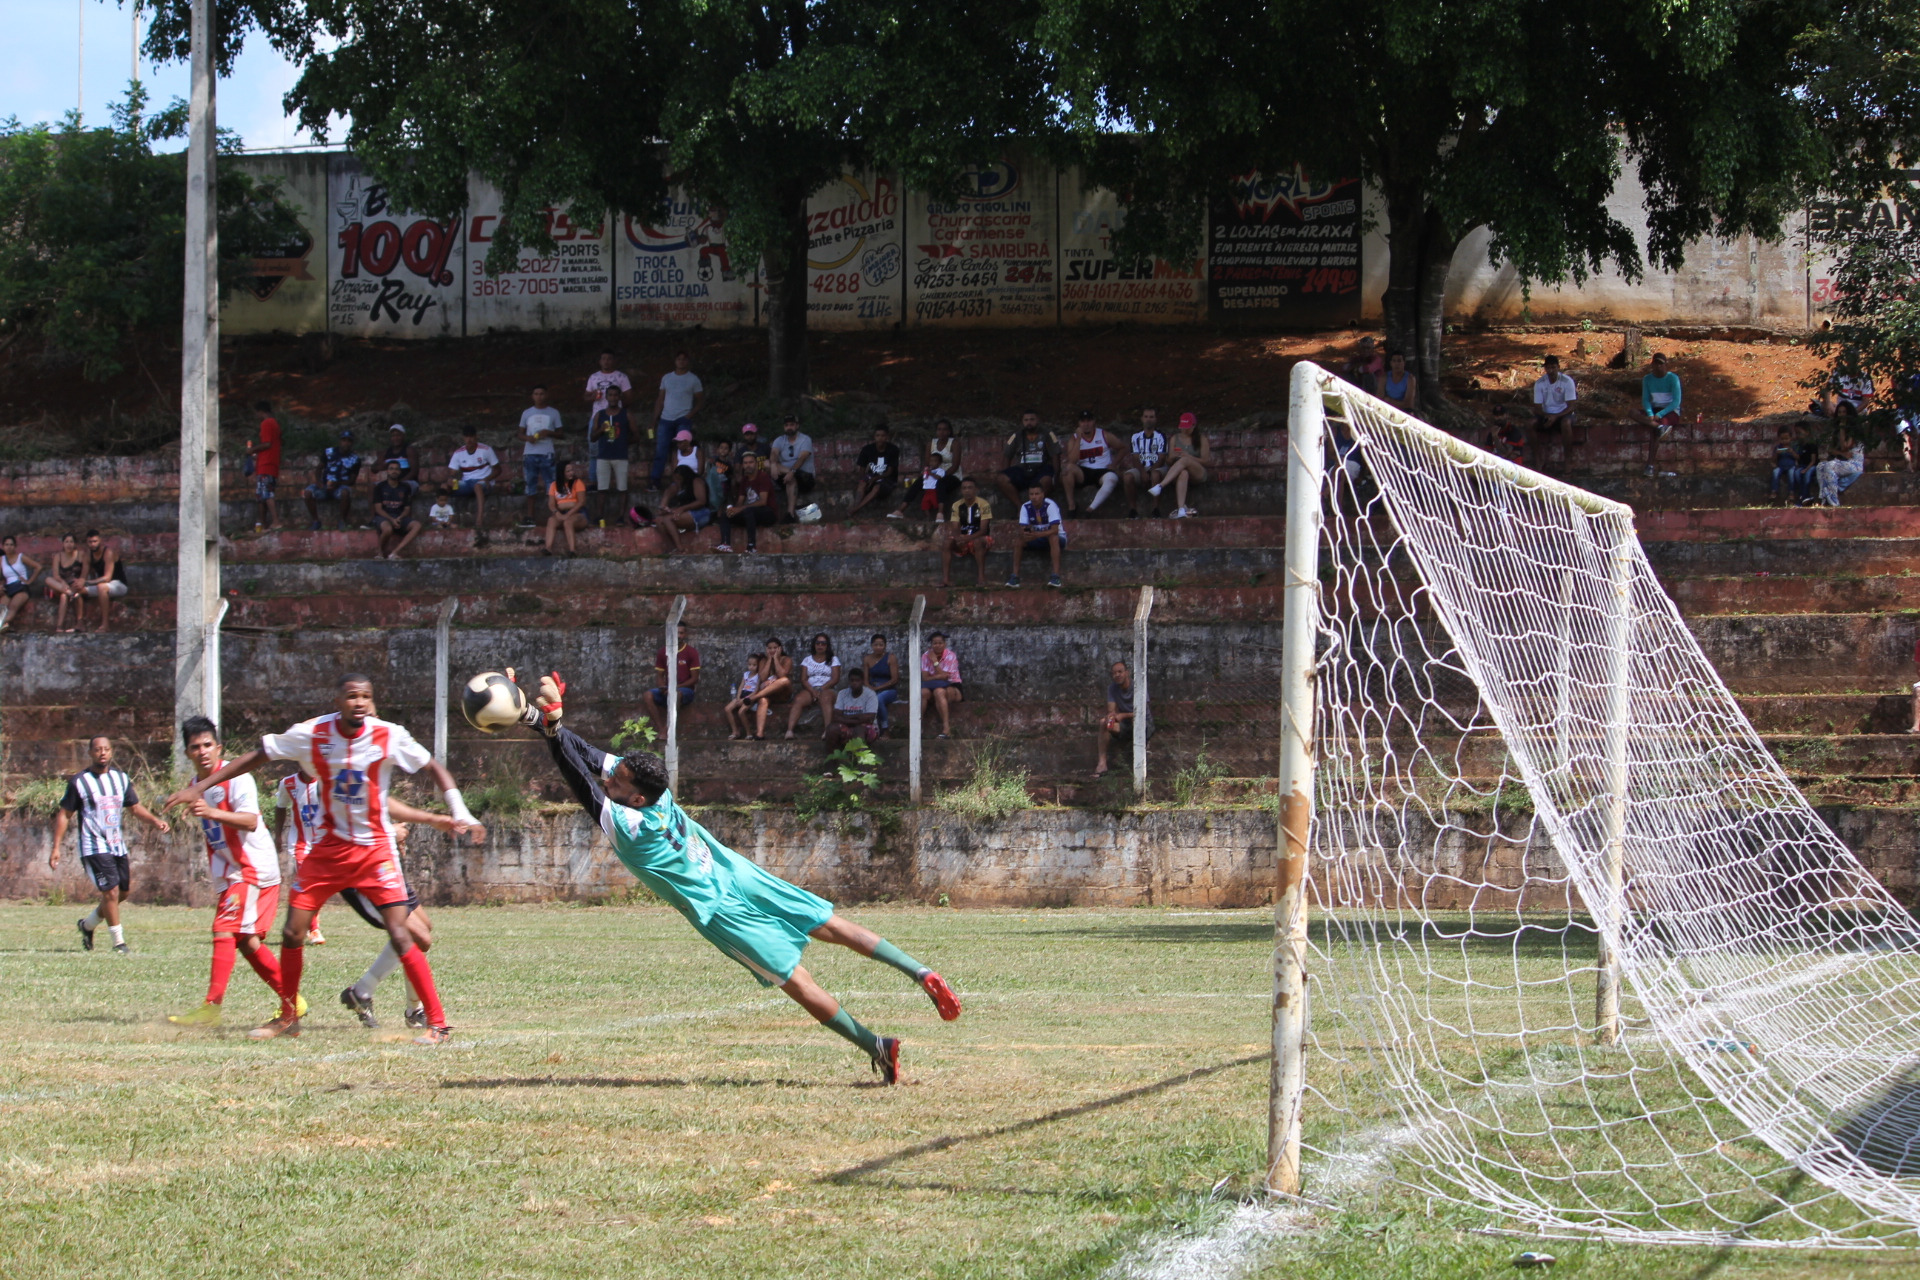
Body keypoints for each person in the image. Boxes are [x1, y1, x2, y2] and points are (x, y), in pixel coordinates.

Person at [521, 671, 961, 1084]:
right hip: (736, 872)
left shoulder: (632, 829)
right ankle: (920, 972)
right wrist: (542, 721)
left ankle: (876, 1046)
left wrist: (553, 728)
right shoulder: (658, 790)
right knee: (831, 924)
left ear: (634, 796)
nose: (607, 782)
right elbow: (589, 760)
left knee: (797, 981)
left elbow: (578, 778)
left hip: (719, 908)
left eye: (614, 783)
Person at [168, 673, 476, 1043]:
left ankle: (437, 1024)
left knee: (402, 931)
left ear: (372, 701)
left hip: (375, 848)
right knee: (292, 931)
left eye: (365, 696)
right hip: (328, 849)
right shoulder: (314, 733)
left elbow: (434, 767)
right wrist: (202, 786)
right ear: (338, 700)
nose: (359, 702)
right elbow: (261, 754)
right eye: (351, 696)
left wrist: (458, 812)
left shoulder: (387, 735)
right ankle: (288, 1017)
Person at [164, 716, 293, 1028]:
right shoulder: (196, 787)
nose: (202, 751)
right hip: (234, 872)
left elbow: (249, 821)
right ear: (187, 754)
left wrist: (210, 812)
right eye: (195, 747)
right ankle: (292, 1000)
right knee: (246, 942)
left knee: (223, 928)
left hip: (253, 868)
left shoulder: (237, 777)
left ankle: (211, 1007)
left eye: (208, 745)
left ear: (218, 747)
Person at [52, 734, 169, 953]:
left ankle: (87, 925)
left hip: (117, 845)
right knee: (111, 893)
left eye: (106, 749)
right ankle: (118, 942)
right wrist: (56, 847)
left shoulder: (121, 779)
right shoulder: (80, 782)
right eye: (97, 749)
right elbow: (64, 814)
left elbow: (134, 807)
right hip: (93, 846)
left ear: (111, 752)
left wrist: (155, 820)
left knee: (122, 893)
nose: (102, 753)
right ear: (90, 753)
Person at [650, 350, 706, 490]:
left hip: (683, 419)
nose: (681, 361)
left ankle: (683, 480)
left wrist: (689, 415)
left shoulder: (693, 379)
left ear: (688, 361)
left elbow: (699, 402)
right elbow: (660, 399)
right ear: (675, 361)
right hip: (665, 419)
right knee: (661, 451)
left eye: (684, 359)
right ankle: (655, 480)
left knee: (683, 450)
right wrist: (654, 419)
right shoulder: (667, 378)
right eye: (679, 359)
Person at [1061, 409, 1129, 515]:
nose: (1086, 424)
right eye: (1083, 421)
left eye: (1089, 421)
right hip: (1083, 472)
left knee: (1112, 478)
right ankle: (1071, 506)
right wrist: (1079, 439)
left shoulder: (1104, 435)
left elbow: (1123, 448)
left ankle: (1090, 509)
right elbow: (1073, 460)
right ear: (1079, 423)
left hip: (1102, 470)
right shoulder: (1074, 438)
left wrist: (1114, 464)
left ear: (1094, 422)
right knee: (1067, 469)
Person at [1149, 412, 1212, 519]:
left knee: (1185, 460)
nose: (1184, 430)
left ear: (1193, 426)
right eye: (1182, 428)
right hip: (1178, 472)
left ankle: (1160, 486)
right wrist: (1172, 456)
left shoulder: (1201, 439)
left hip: (1197, 472)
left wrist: (1189, 457)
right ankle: (1181, 509)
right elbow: (1168, 462)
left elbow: (1206, 461)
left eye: (1187, 428)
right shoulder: (1175, 438)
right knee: (1183, 472)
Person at [519, 385, 564, 527]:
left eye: (542, 393)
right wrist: (528, 438)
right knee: (530, 484)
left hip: (547, 452)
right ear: (532, 396)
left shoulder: (554, 413)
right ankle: (530, 517)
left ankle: (554, 515)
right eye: (536, 393)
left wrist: (548, 432)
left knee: (550, 484)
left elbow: (561, 433)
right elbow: (520, 433)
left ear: (546, 395)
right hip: (530, 453)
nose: (539, 396)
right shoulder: (526, 413)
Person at [590, 383, 634, 527]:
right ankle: (599, 517)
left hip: (620, 456)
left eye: (616, 395)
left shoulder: (626, 413)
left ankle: (621, 516)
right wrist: (601, 430)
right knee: (602, 488)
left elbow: (637, 436)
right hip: (603, 456)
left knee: (622, 488)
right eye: (610, 395)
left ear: (619, 397)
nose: (613, 397)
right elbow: (592, 438)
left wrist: (622, 442)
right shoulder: (600, 414)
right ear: (606, 397)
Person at [448, 427, 500, 546]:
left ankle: (479, 518)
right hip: (466, 482)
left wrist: (488, 479)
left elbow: (498, 469)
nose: (469, 439)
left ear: (477, 437)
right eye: (467, 436)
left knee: (477, 486)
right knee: (445, 487)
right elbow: (451, 473)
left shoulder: (486, 450)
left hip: (484, 481)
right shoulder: (458, 453)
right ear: (463, 438)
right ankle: (444, 520)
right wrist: (450, 480)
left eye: (471, 436)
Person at [1094, 660, 1145, 779]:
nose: (1117, 675)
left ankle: (1140, 759)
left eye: (1120, 672)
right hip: (1123, 724)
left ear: (1127, 672)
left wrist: (1124, 715)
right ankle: (1102, 764)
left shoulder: (1138, 686)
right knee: (1103, 722)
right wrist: (1111, 717)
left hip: (1141, 722)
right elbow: (1111, 710)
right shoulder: (1112, 688)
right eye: (1114, 673)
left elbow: (1143, 712)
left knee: (1136, 720)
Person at [305, 428, 362, 531]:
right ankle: (316, 521)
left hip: (339, 487)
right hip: (324, 485)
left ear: (352, 443)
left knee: (345, 493)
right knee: (308, 492)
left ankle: (342, 521)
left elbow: (352, 480)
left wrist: (337, 483)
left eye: (349, 441)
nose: (346, 443)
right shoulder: (329, 452)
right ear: (340, 441)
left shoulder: (355, 459)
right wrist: (319, 482)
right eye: (344, 440)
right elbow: (319, 468)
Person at [647, 628, 702, 735]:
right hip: (667, 689)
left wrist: (675, 687)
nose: (678, 636)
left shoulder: (691, 652)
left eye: (681, 633)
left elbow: (695, 679)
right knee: (647, 695)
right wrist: (662, 687)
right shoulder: (663, 651)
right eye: (675, 633)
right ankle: (660, 728)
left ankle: (669, 728)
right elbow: (659, 676)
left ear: (685, 634)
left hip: (685, 691)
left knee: (675, 695)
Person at [786, 632, 840, 739]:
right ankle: (789, 730)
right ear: (814, 645)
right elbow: (803, 679)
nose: (820, 646)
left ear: (827, 645)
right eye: (818, 643)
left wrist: (821, 689)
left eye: (823, 643)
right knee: (799, 699)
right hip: (811, 689)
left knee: (825, 698)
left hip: (828, 688)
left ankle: (827, 730)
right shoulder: (807, 660)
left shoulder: (833, 659)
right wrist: (812, 690)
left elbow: (835, 679)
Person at [1010, 484, 1065, 589]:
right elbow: (1023, 528)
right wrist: (1026, 533)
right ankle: (1015, 577)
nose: (1034, 497)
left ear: (1042, 494)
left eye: (1037, 494)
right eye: (1031, 494)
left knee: (1053, 538)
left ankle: (1056, 576)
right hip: (1037, 537)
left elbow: (1055, 530)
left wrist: (1037, 534)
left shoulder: (1050, 505)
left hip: (1057, 538)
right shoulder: (1026, 507)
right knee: (1018, 541)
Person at [995, 411, 1056, 504]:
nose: (1029, 423)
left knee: (1047, 480)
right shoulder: (1017, 436)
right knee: (1001, 478)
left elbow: (1056, 455)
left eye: (1032, 419)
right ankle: (1020, 507)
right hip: (1022, 470)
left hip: (1041, 470)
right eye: (1026, 420)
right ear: (1022, 421)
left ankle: (1032, 506)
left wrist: (1056, 476)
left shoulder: (1047, 434)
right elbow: (1007, 456)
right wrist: (1006, 473)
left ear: (1038, 420)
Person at [943, 478, 994, 588]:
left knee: (977, 542)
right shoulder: (956, 505)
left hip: (981, 538)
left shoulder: (983, 504)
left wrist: (968, 538)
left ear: (976, 490)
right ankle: (946, 579)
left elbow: (984, 530)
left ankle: (981, 578)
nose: (967, 491)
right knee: (947, 542)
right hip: (963, 538)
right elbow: (955, 527)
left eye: (970, 488)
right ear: (961, 490)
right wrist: (957, 539)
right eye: (964, 488)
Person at [1530, 356, 1580, 469]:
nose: (1551, 371)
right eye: (1548, 368)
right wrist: (1547, 416)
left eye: (1553, 367)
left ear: (1558, 367)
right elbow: (1537, 407)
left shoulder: (1567, 381)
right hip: (1546, 415)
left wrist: (1555, 417)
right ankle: (1538, 460)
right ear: (1545, 369)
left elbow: (1571, 406)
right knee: (1530, 424)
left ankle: (1568, 462)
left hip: (1563, 414)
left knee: (1566, 423)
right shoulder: (1540, 383)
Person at [725, 451, 778, 552]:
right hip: (750, 515)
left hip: (768, 513)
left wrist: (740, 508)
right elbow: (740, 501)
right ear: (742, 466)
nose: (748, 465)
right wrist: (733, 510)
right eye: (745, 463)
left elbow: (763, 502)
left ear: (756, 464)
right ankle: (725, 544)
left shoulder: (763, 477)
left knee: (748, 511)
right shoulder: (744, 480)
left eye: (751, 462)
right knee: (725, 515)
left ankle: (751, 546)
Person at [1640, 352, 1683, 476]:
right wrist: (1649, 414)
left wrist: (1660, 414)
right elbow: (1645, 399)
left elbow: (1676, 401)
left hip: (1669, 412)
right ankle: (1657, 426)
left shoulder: (1673, 378)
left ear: (1666, 365)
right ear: (1652, 365)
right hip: (1654, 411)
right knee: (1633, 412)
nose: (1658, 367)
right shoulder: (1647, 379)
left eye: (1661, 364)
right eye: (1656, 364)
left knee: (1655, 433)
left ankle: (1650, 465)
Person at [76, 530, 128, 633]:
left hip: (118, 584)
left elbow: (107, 577)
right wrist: (78, 583)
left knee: (101, 586)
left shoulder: (108, 552)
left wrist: (87, 582)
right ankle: (80, 623)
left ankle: (105, 625)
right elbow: (83, 577)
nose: (92, 544)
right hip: (102, 586)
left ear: (100, 541)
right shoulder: (87, 555)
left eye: (95, 541)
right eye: (90, 542)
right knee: (78, 591)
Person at [849, 425, 905, 518]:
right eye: (877, 435)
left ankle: (854, 510)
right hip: (872, 476)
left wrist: (875, 479)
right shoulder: (867, 449)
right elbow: (861, 470)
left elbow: (889, 472)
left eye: (883, 436)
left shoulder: (893, 449)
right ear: (874, 437)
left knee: (877, 487)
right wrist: (863, 480)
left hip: (887, 479)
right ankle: (855, 510)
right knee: (862, 484)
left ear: (887, 437)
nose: (880, 438)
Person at [372, 461, 423, 560]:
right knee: (387, 529)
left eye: (396, 469)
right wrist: (392, 519)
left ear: (400, 471)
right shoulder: (380, 487)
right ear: (387, 471)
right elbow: (378, 509)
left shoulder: (405, 487)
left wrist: (400, 518)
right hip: (384, 517)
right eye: (391, 469)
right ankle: (380, 552)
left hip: (399, 517)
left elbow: (407, 508)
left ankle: (395, 552)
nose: (394, 471)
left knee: (417, 525)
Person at [745, 637, 794, 738]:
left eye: (775, 648)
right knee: (762, 701)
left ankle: (754, 697)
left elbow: (782, 675)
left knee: (784, 680)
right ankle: (759, 734)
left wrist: (775, 659)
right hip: (768, 693)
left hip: (783, 693)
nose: (772, 650)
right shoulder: (763, 661)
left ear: (780, 648)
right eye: (770, 648)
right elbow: (762, 677)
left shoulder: (786, 659)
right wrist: (769, 660)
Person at [767, 416, 816, 519]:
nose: (789, 427)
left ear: (797, 426)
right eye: (786, 425)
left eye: (792, 425)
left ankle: (790, 514)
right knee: (766, 463)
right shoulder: (779, 440)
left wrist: (792, 471)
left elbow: (802, 457)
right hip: (787, 476)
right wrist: (773, 464)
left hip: (804, 477)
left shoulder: (805, 439)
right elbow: (774, 453)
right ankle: (790, 514)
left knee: (792, 477)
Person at [1124, 408, 1168, 518]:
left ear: (1155, 419)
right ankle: (1133, 509)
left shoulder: (1161, 436)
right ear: (1142, 419)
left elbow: (1162, 458)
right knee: (1127, 477)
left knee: (1155, 475)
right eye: (1146, 417)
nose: (1148, 419)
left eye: (1151, 417)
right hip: (1142, 467)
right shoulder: (1135, 437)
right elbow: (1135, 458)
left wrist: (1150, 472)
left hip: (1157, 467)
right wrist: (1143, 472)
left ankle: (1156, 509)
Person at [245, 400, 282, 531]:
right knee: (261, 496)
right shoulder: (274, 424)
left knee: (267, 493)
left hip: (267, 463)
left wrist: (252, 450)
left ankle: (276, 521)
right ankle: (262, 524)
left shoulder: (267, 423)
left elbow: (267, 444)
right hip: (267, 464)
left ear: (261, 412)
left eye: (257, 414)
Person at [826, 665, 882, 749]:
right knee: (831, 728)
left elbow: (869, 719)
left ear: (862, 681)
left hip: (868, 729)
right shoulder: (842, 693)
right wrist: (857, 717)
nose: (854, 683)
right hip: (848, 727)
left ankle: (861, 760)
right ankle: (833, 759)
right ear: (849, 681)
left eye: (857, 680)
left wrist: (845, 718)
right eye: (852, 680)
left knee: (858, 730)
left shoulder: (870, 694)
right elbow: (836, 718)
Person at [919, 632, 963, 739]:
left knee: (939, 691)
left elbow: (945, 677)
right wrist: (938, 676)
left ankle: (946, 729)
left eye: (940, 643)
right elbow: (925, 677)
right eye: (935, 643)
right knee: (922, 692)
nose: (937, 645)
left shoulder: (950, 655)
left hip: (952, 685)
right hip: (931, 686)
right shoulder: (925, 656)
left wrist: (934, 661)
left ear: (944, 644)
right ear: (931, 645)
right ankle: (918, 726)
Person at [544, 460, 590, 556]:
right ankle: (548, 548)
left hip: (578, 513)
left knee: (568, 522)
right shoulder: (554, 485)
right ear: (561, 473)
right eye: (568, 471)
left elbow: (581, 502)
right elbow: (551, 504)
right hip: (561, 512)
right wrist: (557, 513)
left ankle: (572, 550)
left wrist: (568, 514)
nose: (571, 473)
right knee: (551, 520)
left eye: (572, 470)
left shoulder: (577, 483)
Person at [1815, 423, 1866, 507]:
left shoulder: (1856, 439)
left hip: (1855, 465)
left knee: (1829, 466)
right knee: (1820, 466)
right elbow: (1831, 450)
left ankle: (1833, 501)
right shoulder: (1839, 438)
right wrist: (1842, 453)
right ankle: (1824, 497)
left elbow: (1845, 446)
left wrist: (1842, 429)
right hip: (1845, 463)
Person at [0, 534, 41, 631]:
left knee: (13, 607)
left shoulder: (20, 557)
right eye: (6, 545)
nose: (9, 547)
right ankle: (3, 624)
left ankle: (2, 624)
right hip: (9, 587)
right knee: (2, 608)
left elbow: (38, 567)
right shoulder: (2, 560)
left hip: (21, 587)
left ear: (15, 546)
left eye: (11, 545)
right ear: (3, 546)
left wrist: (29, 581)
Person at [45, 533, 85, 633]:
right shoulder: (58, 556)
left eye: (71, 542)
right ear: (63, 544)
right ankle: (70, 594)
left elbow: (86, 572)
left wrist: (81, 581)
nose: (69, 544)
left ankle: (59, 625)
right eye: (67, 542)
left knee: (64, 596)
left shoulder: (80, 555)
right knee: (48, 579)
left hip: (75, 585)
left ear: (75, 543)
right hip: (62, 585)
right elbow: (56, 575)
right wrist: (64, 584)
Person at [725, 653, 768, 740]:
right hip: (742, 695)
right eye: (749, 665)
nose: (751, 667)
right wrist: (738, 698)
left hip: (750, 697)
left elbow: (756, 691)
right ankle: (735, 731)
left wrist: (745, 699)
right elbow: (741, 686)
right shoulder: (746, 674)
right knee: (727, 709)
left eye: (754, 665)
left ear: (758, 665)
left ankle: (749, 733)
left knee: (741, 712)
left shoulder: (758, 676)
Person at [862, 633, 899, 732]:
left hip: (889, 689)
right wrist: (870, 689)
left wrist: (878, 688)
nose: (878, 647)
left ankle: (885, 728)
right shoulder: (867, 659)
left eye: (881, 645)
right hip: (872, 689)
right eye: (876, 645)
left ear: (885, 646)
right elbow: (865, 680)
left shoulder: (890, 658)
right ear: (871, 645)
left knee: (878, 699)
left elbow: (894, 679)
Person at [926, 418, 964, 516]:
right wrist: (928, 474)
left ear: (948, 431)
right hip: (934, 474)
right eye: (939, 429)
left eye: (944, 429)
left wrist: (941, 475)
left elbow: (955, 465)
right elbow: (927, 463)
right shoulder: (931, 443)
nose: (941, 432)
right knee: (918, 483)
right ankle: (901, 510)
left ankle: (940, 512)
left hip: (952, 474)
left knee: (941, 483)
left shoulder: (954, 443)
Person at [704, 440, 737, 551]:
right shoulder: (713, 460)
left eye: (726, 448)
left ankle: (719, 519)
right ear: (717, 449)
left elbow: (731, 477)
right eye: (721, 447)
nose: (723, 450)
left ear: (729, 451)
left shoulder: (729, 465)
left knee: (722, 505)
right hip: (713, 487)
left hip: (724, 488)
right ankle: (712, 519)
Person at [585, 349, 632, 418]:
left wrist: (619, 408)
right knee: (595, 429)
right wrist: (592, 397)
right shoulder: (593, 377)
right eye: (603, 359)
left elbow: (629, 398)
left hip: (616, 416)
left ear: (614, 361)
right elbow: (585, 397)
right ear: (600, 361)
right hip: (597, 416)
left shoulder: (622, 377)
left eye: (609, 359)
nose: (606, 361)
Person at [1380, 351, 1419, 416]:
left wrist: (1388, 400)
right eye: (1394, 361)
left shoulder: (1410, 378)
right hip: (1387, 409)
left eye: (1399, 361)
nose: (1396, 364)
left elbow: (1409, 404)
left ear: (1404, 363)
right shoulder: (1384, 377)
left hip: (1404, 411)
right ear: (1391, 363)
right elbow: (1379, 399)